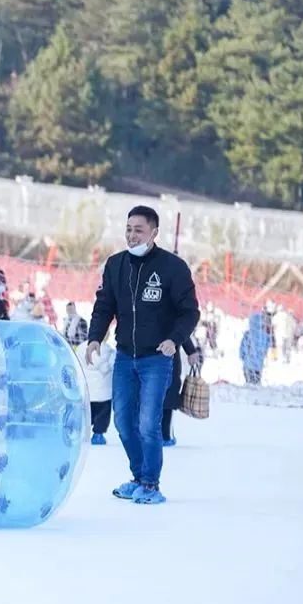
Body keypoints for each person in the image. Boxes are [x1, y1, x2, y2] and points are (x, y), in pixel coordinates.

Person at [86, 205, 199, 505]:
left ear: (153, 232)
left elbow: (189, 312)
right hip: (125, 356)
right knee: (123, 421)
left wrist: (175, 340)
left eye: (138, 229)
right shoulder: (116, 265)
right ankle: (138, 476)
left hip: (157, 358)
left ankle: (151, 483)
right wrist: (94, 338)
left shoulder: (173, 268)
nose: (132, 235)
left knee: (148, 423)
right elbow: (104, 305)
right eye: (128, 229)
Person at [161, 339, 202, 446]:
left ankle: (164, 434)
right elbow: (182, 333)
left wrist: (191, 351)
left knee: (167, 398)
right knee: (166, 399)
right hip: (166, 361)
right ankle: (165, 435)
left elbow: (182, 333)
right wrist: (191, 351)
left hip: (167, 360)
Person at [75, 335, 114, 445]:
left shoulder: (81, 347)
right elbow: (108, 366)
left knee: (87, 414)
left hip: (88, 390)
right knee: (102, 415)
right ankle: (98, 434)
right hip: (103, 391)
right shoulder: (107, 350)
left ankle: (83, 433)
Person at [239, 311, 272, 386]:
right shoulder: (264, 335)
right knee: (256, 384)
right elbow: (266, 347)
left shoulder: (248, 334)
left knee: (249, 384)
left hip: (248, 364)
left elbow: (242, 347)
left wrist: (243, 356)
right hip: (258, 366)